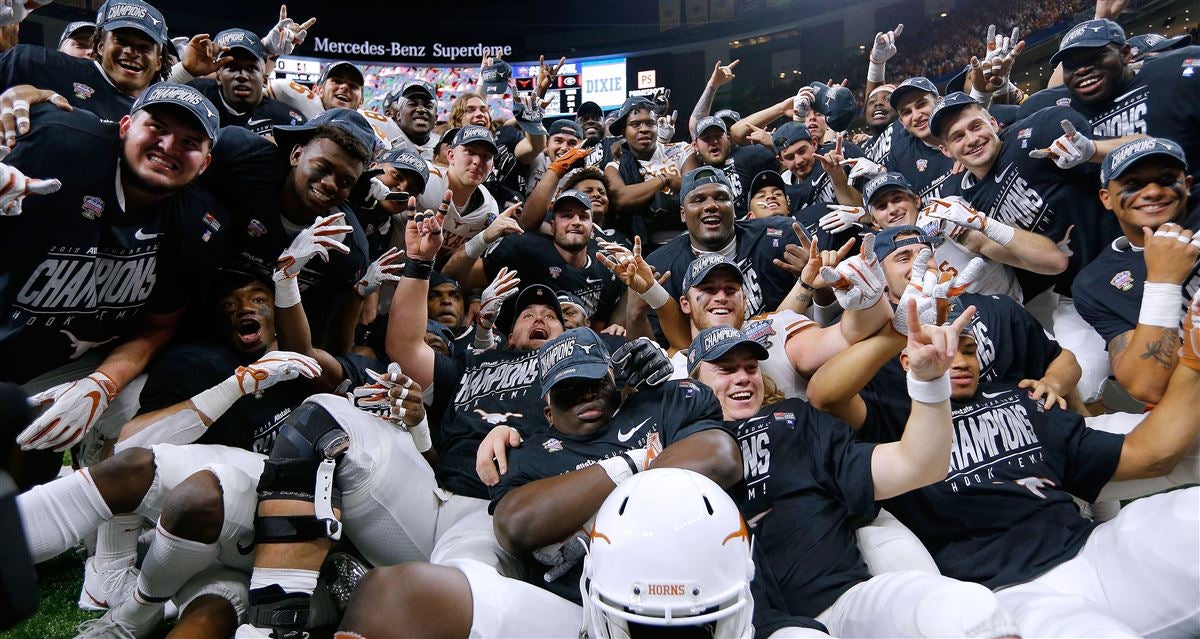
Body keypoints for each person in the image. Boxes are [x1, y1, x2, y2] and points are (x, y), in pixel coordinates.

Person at [807, 288, 1200, 637]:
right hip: (1011, 592)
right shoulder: (890, 416)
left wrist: (1193, 360)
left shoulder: (1020, 398)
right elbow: (825, 395)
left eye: (968, 349)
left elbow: (1148, 456)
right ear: (907, 362)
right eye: (942, 347)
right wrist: (898, 340)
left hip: (1094, 548)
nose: (958, 359)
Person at [688, 318, 1022, 638]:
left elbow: (916, 465)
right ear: (692, 386)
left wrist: (929, 383)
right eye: (726, 369)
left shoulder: (794, 420)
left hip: (844, 602)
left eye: (751, 367)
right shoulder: (676, 457)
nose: (744, 377)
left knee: (966, 609)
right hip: (756, 627)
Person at [4, 84, 230, 488]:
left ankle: (71, 480)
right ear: (125, 125)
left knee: (155, 387)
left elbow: (159, 325)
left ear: (206, 162)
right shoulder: (60, 147)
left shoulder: (199, 222)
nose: (168, 146)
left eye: (189, 141)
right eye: (156, 127)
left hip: (67, 361)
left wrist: (102, 384)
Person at [929, 91, 1138, 405]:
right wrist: (980, 242)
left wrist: (1093, 150)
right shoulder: (960, 198)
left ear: (992, 121)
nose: (971, 139)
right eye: (958, 137)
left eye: (975, 126)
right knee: (1069, 382)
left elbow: (1139, 148)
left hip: (1126, 253)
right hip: (1075, 289)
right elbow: (1045, 262)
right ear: (946, 150)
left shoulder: (1038, 131)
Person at [199, 108, 374, 352]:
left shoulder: (347, 249)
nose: (330, 184)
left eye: (345, 182)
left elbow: (329, 337)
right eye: (322, 167)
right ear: (296, 154)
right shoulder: (239, 155)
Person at [1072, 137, 1200, 404]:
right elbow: (1147, 386)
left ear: (1187, 185)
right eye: (1133, 184)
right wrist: (1163, 281)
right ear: (1106, 199)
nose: (1152, 192)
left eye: (1166, 179)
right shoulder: (1095, 282)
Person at [849, 171, 1068, 301]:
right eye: (881, 206)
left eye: (897, 199)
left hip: (1007, 312)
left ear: (916, 200)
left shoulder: (946, 217)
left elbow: (1053, 262)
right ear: (874, 221)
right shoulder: (881, 254)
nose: (892, 209)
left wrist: (983, 225)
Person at [1018, 18, 1200, 171]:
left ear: (1126, 54)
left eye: (1095, 57)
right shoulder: (1052, 107)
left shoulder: (1175, 74)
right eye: (1072, 65)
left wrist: (1093, 150)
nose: (1082, 70)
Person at [645, 166, 800, 320]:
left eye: (721, 198)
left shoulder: (781, 234)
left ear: (733, 208)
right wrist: (636, 308)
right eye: (698, 200)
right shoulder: (661, 266)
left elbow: (817, 305)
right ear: (683, 214)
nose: (711, 205)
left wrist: (812, 280)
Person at [0, 0, 169, 122]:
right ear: (101, 47)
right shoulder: (37, 63)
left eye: (144, 47)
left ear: (159, 62)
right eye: (122, 41)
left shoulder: (163, 116)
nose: (131, 52)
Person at [603, 95, 691, 246]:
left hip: (690, 239)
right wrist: (665, 179)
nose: (644, 129)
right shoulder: (615, 166)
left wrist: (643, 191)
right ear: (623, 130)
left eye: (650, 123)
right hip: (645, 248)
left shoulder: (681, 150)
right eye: (635, 124)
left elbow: (694, 188)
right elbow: (621, 199)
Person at [186, 28, 305, 138]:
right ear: (218, 76)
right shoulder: (195, 97)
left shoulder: (285, 119)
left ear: (264, 79)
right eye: (231, 68)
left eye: (251, 68)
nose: (241, 76)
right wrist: (184, 70)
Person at [682, 115, 777, 217]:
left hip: (753, 225)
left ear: (728, 139)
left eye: (718, 136)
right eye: (707, 138)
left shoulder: (749, 155)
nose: (714, 142)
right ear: (695, 146)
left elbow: (785, 165)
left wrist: (773, 144)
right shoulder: (695, 172)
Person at [383, 80, 441, 160]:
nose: (421, 109)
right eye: (412, 104)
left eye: (428, 106)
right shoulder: (382, 137)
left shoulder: (444, 146)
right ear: (398, 115)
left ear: (435, 118)